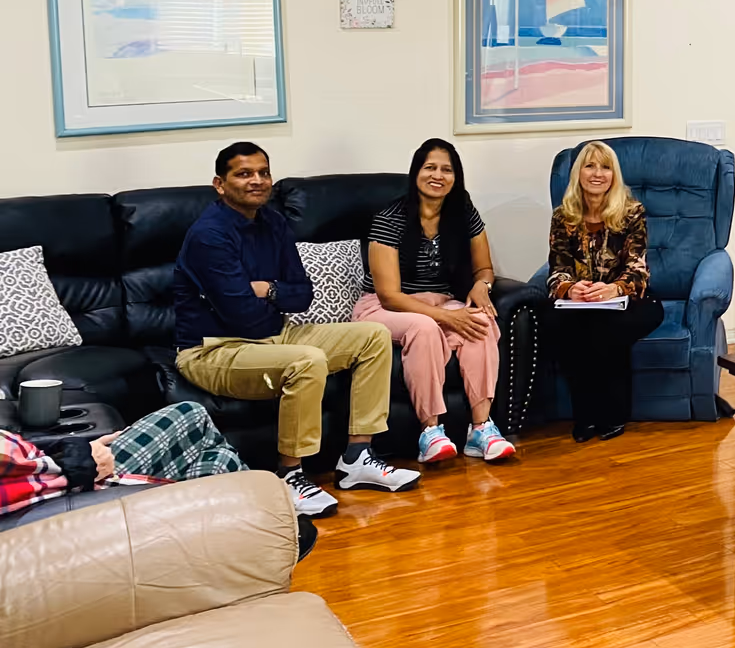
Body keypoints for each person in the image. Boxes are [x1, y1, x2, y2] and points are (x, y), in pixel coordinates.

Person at [173, 142, 420, 515]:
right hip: (214, 349)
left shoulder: (274, 222)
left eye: (263, 172)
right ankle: (289, 476)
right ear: (220, 184)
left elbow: (302, 294)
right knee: (307, 361)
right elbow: (241, 315)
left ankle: (357, 457)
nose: (257, 181)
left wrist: (268, 290)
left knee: (373, 336)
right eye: (244, 174)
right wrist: (275, 297)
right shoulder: (209, 235)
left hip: (275, 336)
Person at [352, 138, 516, 465]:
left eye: (446, 170)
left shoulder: (463, 212)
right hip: (385, 307)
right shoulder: (390, 218)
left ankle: (481, 429)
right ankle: (430, 432)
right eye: (430, 168)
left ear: (456, 177)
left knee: (481, 322)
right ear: (416, 172)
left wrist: (482, 286)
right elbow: (389, 295)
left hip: (440, 302)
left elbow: (484, 269)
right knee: (424, 328)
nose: (438, 176)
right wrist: (447, 318)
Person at [0, 401, 317, 558]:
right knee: (191, 416)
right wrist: (80, 461)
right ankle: (273, 526)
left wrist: (71, 452)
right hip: (69, 490)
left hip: (56, 472)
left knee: (218, 461)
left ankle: (268, 529)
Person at [541, 141, 664, 442]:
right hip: (580, 303)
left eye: (605, 167)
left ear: (614, 175)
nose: (598, 174)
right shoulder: (563, 216)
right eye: (590, 166)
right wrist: (570, 288)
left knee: (605, 328)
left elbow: (638, 270)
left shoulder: (632, 213)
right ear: (578, 173)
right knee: (561, 324)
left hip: (630, 300)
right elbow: (557, 268)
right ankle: (584, 416)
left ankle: (612, 414)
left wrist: (613, 289)